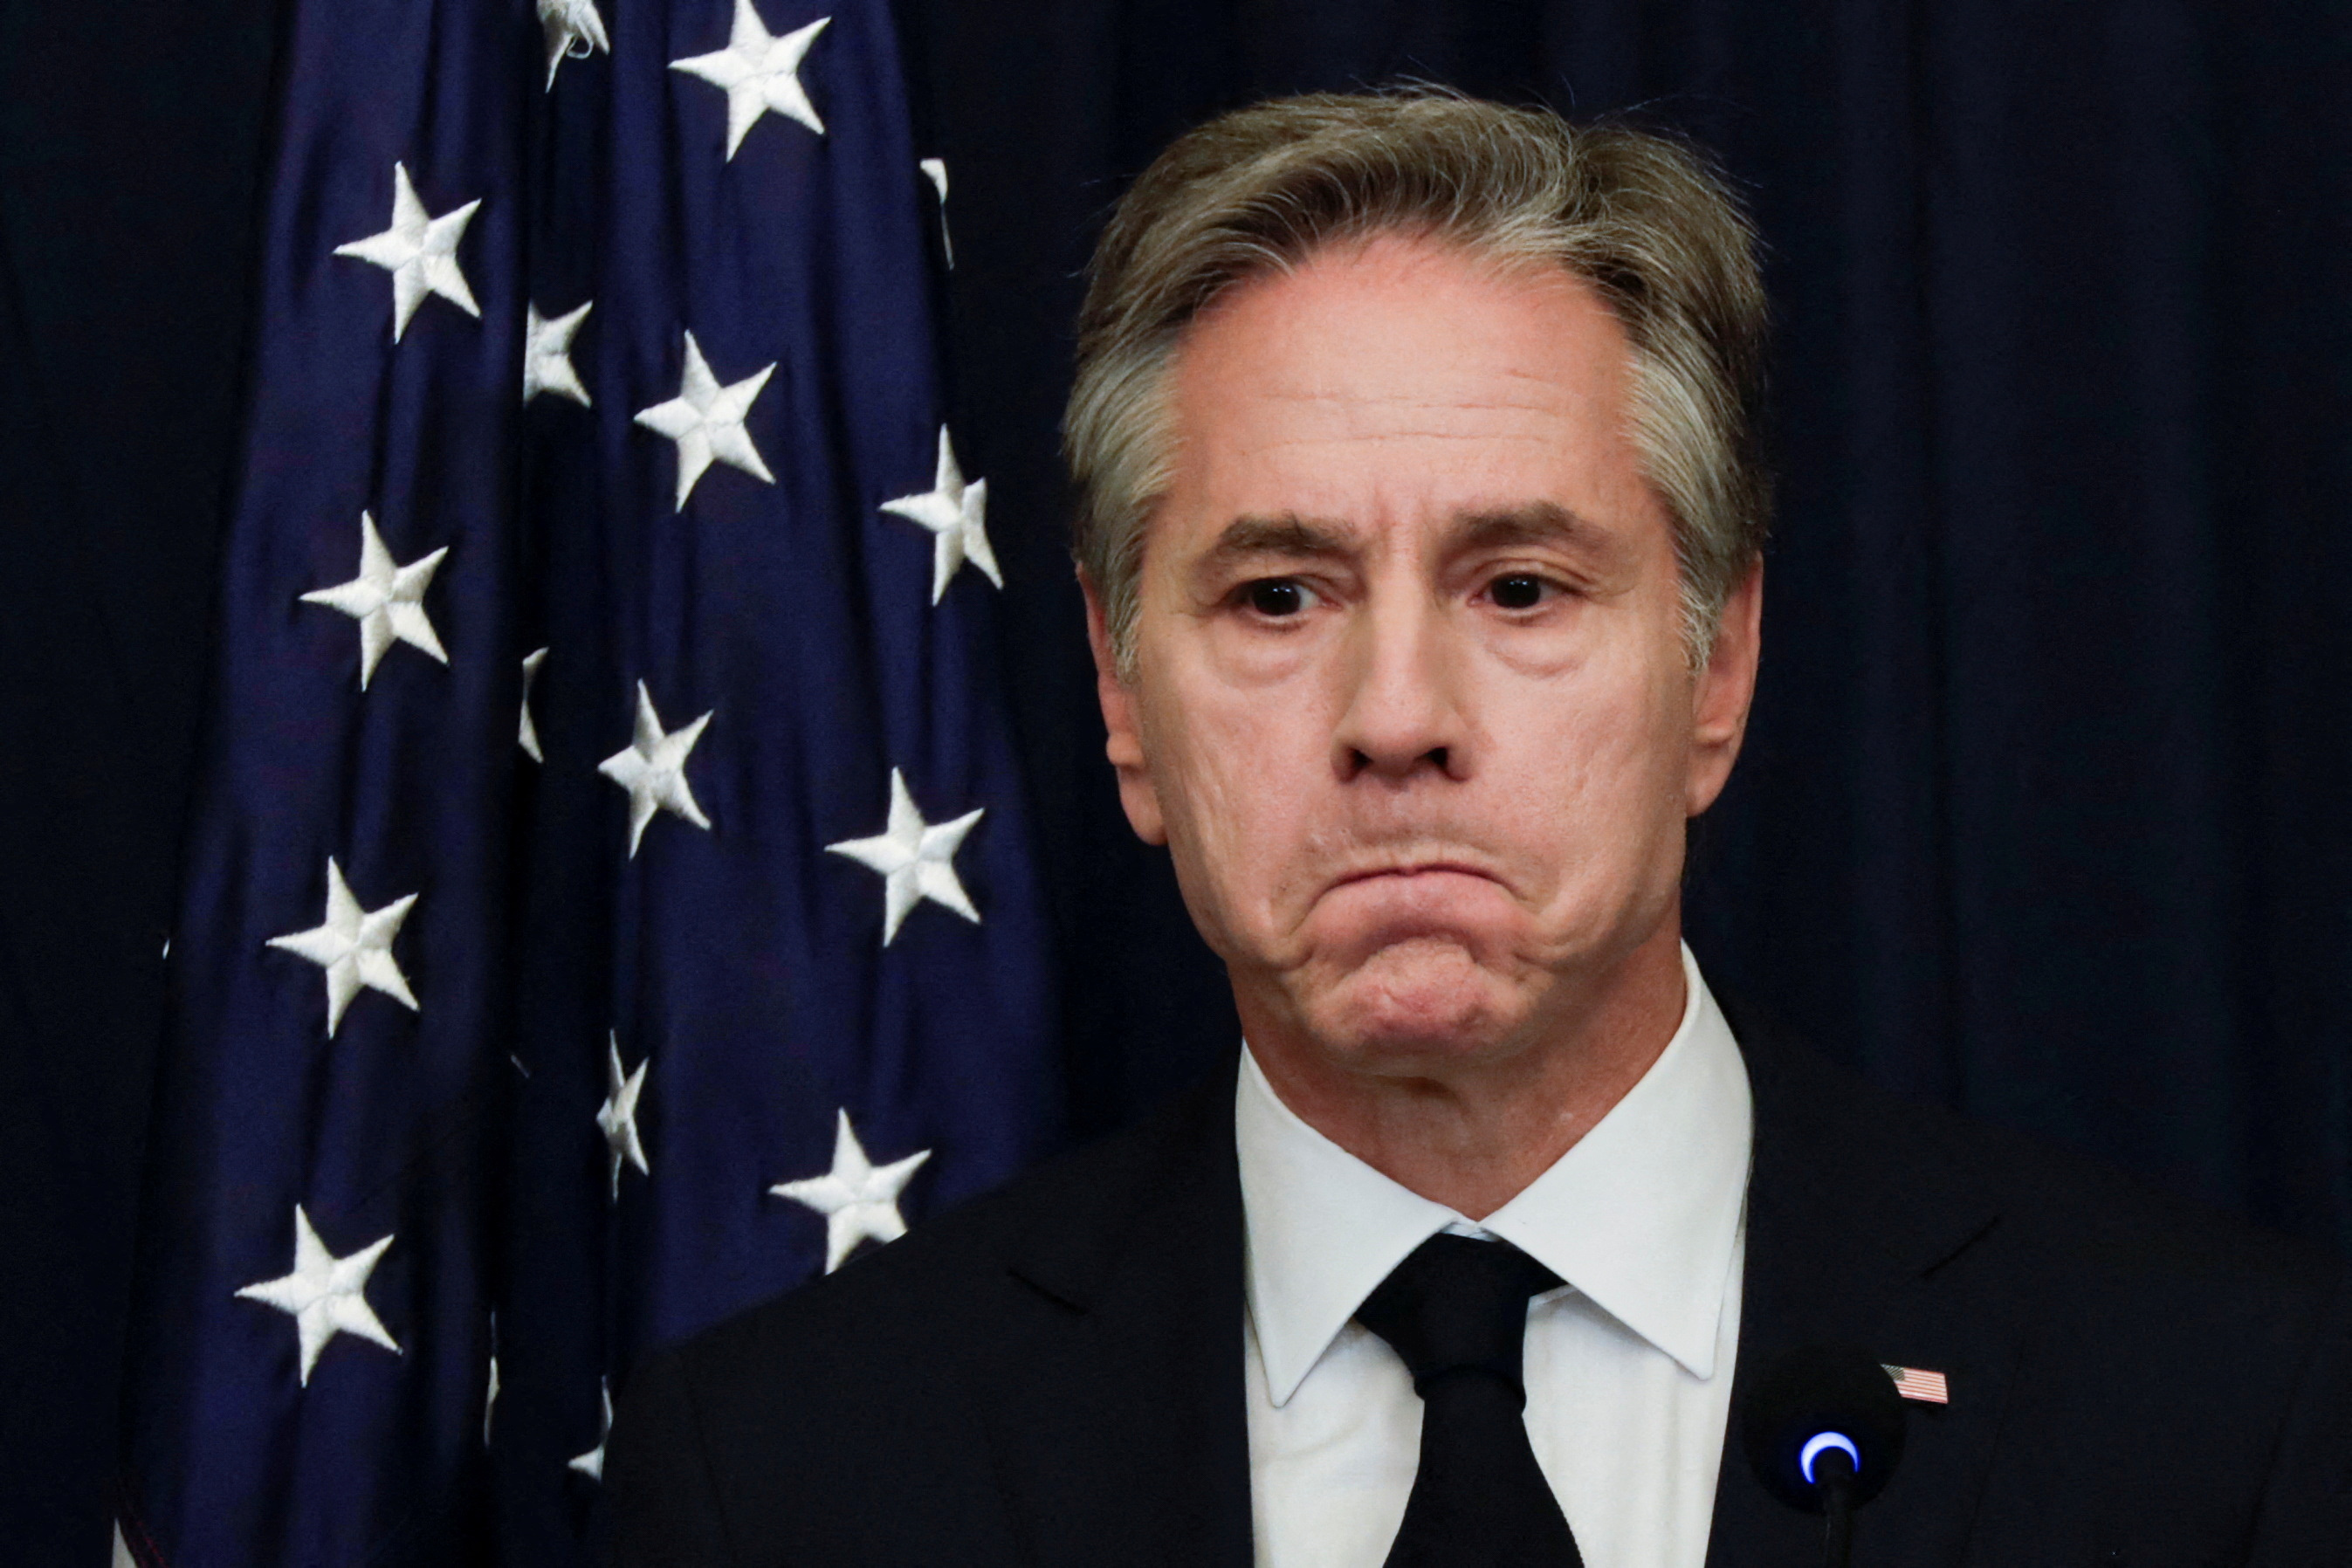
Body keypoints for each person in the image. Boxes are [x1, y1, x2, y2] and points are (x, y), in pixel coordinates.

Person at [606, 90, 2351, 1566]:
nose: (1396, 719)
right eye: (1279, 596)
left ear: (1719, 661)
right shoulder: (783, 1476)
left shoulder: (2221, 1417)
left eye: (1519, 584)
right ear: (1123, 697)